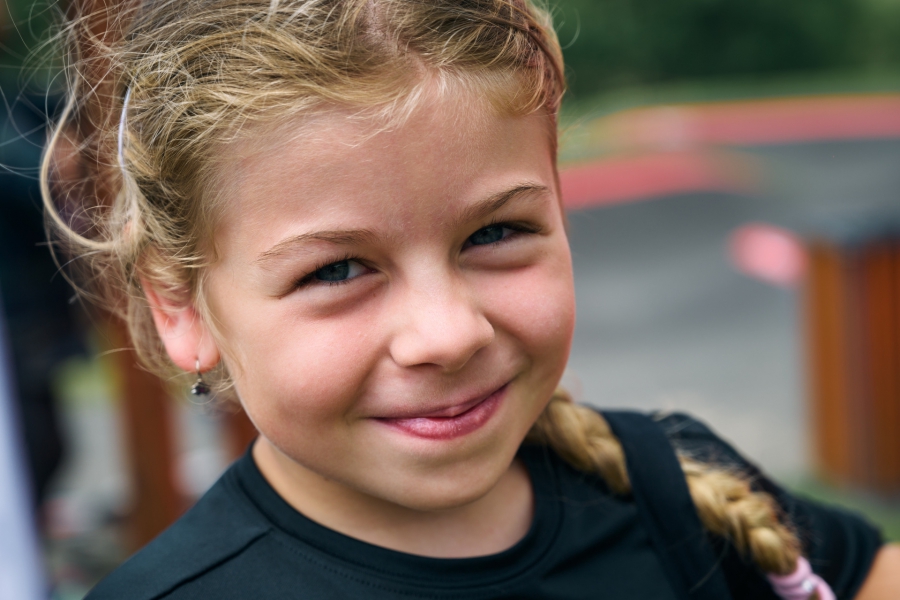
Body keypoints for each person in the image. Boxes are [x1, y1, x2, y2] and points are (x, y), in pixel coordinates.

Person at [41, 1, 899, 598]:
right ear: (181, 307)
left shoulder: (674, 487)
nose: (448, 334)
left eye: (495, 233)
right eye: (336, 271)